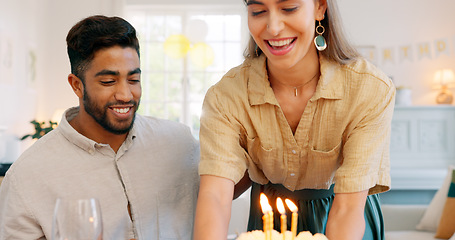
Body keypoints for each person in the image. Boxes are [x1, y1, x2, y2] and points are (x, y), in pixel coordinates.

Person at [194, 0, 395, 239]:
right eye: (258, 12)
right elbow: (215, 197)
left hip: (345, 215)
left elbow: (348, 208)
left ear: (320, 8)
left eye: (289, 8)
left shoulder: (369, 88)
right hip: (269, 219)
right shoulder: (225, 95)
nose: (274, 28)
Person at [0, 15, 199, 240]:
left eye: (133, 80)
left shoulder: (180, 142)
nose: (125, 95)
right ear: (77, 85)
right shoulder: (27, 176)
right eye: (108, 82)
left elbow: (223, 188)